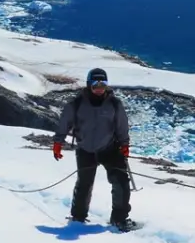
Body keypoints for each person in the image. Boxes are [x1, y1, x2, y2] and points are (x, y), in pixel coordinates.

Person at [52, 68, 137, 232]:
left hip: (110, 148)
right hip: (85, 150)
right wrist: (58, 142)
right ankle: (78, 217)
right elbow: (64, 123)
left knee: (121, 183)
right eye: (96, 84)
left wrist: (124, 144)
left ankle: (119, 219)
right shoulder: (76, 104)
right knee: (84, 184)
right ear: (89, 84)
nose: (99, 88)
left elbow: (122, 125)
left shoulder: (114, 103)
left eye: (103, 84)